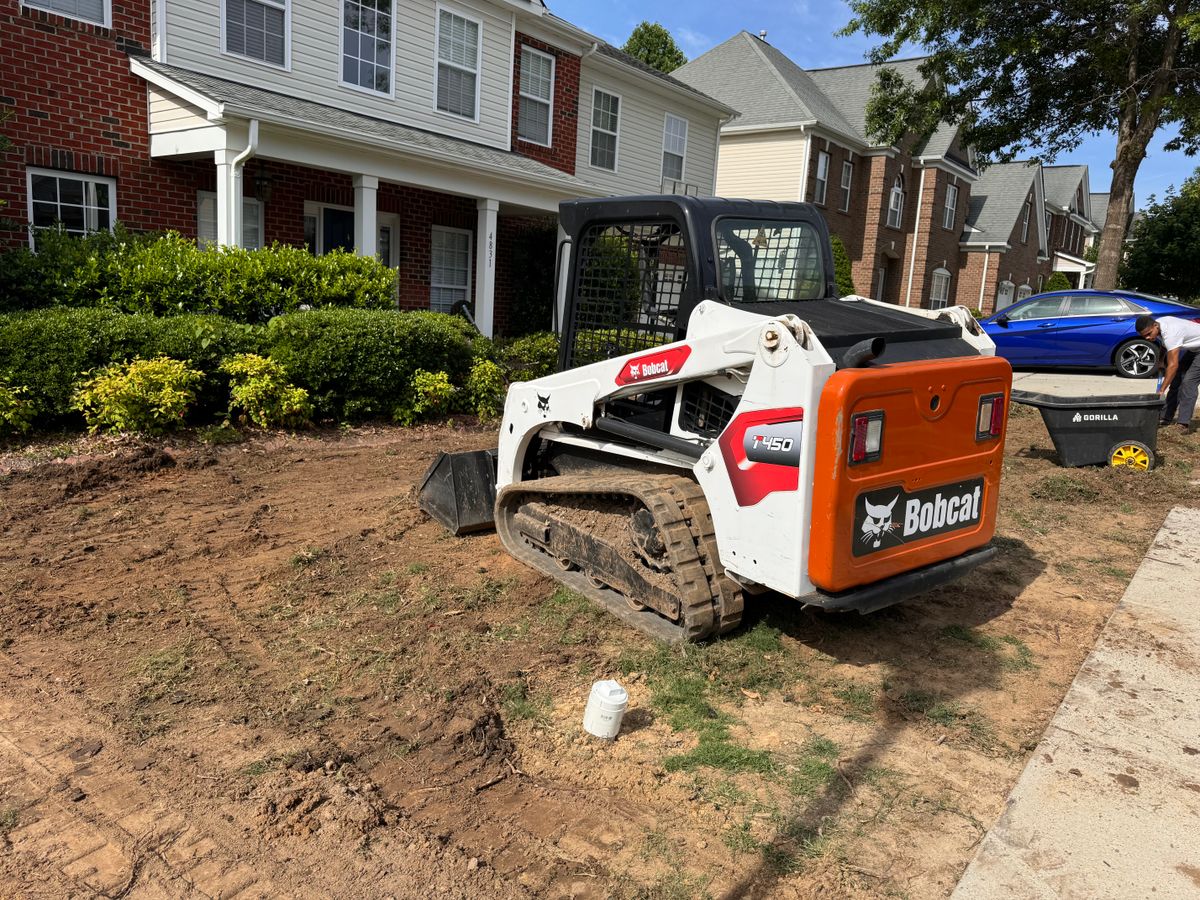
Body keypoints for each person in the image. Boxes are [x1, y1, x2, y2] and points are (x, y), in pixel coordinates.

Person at [1136, 314, 1200, 432]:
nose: (1148, 338)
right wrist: (1160, 360)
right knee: (1176, 381)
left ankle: (1183, 423)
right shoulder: (1159, 325)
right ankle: (1165, 417)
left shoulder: (1171, 333)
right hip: (1194, 348)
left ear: (1155, 326)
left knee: (1188, 382)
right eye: (1144, 336)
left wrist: (1162, 390)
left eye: (1149, 334)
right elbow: (1164, 344)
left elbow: (1173, 365)